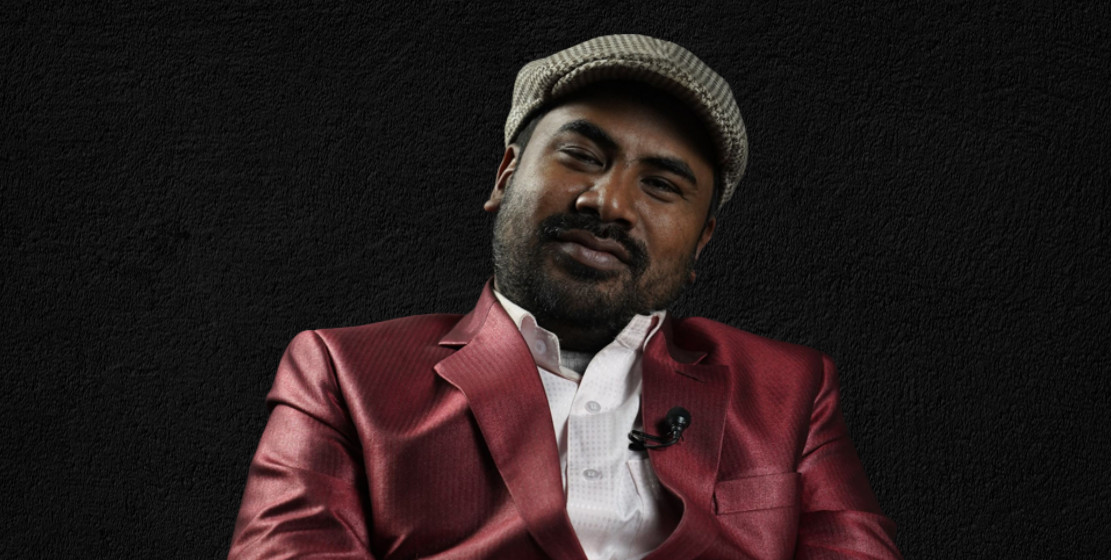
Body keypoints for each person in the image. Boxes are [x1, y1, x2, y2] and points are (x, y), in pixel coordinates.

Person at [229, 34, 901, 560]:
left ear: (701, 243)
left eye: (662, 185)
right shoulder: (344, 374)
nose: (608, 202)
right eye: (581, 155)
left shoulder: (790, 391)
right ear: (506, 175)